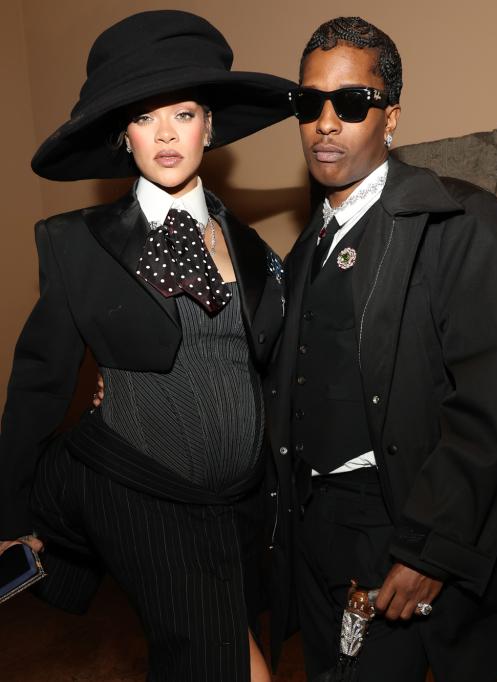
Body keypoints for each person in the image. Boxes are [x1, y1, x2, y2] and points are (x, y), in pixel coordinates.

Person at [0, 10, 292, 681]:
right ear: (121, 137)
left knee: (216, 653)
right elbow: (39, 382)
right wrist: (10, 513)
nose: (165, 133)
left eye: (184, 113)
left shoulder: (254, 246)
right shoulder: (76, 243)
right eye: (143, 117)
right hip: (141, 496)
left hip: (239, 504)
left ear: (210, 126)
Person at [265, 17, 497, 681]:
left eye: (351, 103)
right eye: (308, 102)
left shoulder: (459, 223)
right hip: (316, 534)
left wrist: (430, 549)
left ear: (391, 118)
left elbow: (486, 405)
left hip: (401, 526)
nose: (325, 122)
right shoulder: (297, 257)